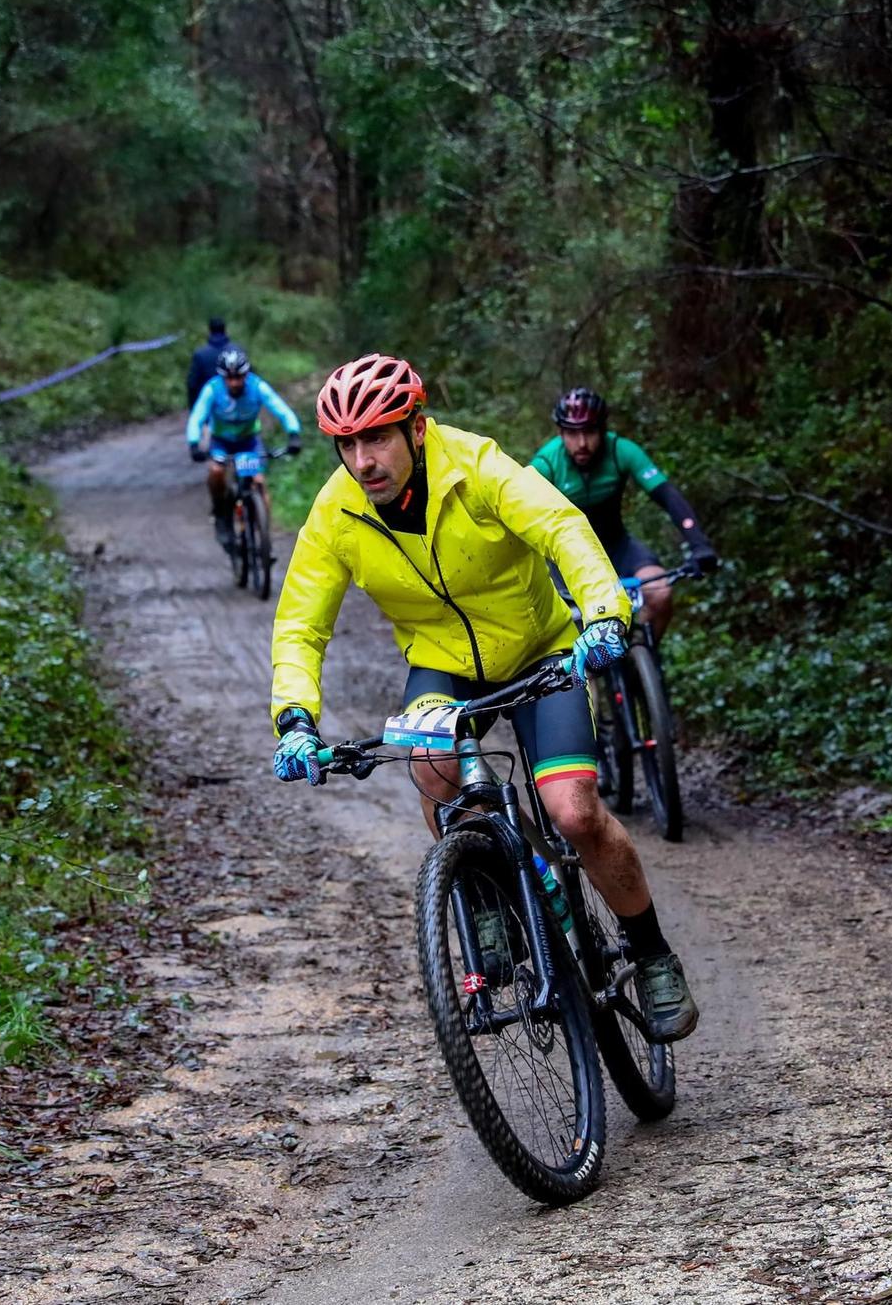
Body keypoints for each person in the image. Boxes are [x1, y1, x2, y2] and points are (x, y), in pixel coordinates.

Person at [267, 354, 699, 1042]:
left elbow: (560, 525)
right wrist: (295, 717)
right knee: (433, 772)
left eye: (376, 436)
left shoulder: (477, 465)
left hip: (539, 648)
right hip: (443, 668)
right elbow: (301, 622)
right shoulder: (337, 510)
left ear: (414, 428)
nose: (362, 459)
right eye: (346, 444)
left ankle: (650, 952)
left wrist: (602, 613)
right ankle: (486, 891)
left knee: (574, 810)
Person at [529, 388, 717, 640]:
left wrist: (698, 543)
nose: (582, 443)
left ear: (603, 429)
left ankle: (643, 657)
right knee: (573, 628)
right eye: (573, 433)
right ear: (560, 433)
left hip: (618, 546)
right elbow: (519, 515)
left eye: (590, 431)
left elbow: (667, 495)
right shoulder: (547, 463)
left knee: (660, 594)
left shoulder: (621, 451)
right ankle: (590, 676)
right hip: (569, 559)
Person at [184, 346, 302, 548]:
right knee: (216, 472)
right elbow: (197, 417)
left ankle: (264, 535)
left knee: (258, 481)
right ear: (222, 377)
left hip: (249, 441)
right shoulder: (212, 389)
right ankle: (221, 513)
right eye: (229, 378)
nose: (234, 382)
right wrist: (194, 443)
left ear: (246, 374)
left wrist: (293, 433)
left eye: (239, 377)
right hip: (221, 441)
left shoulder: (257, 387)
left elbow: (281, 409)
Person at [186, 317, 236, 409]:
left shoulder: (200, 354)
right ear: (225, 330)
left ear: (209, 331)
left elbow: (192, 383)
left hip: (209, 404)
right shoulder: (237, 351)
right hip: (235, 403)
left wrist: (193, 408)